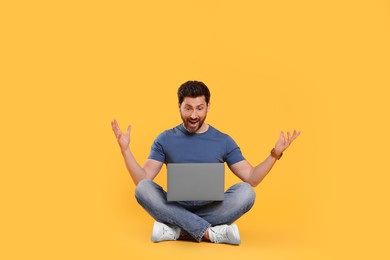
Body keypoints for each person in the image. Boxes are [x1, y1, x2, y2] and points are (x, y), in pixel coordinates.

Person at [111, 80, 300, 245]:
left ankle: (177, 230)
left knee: (246, 192)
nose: (194, 115)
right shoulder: (165, 138)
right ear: (179, 106)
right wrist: (125, 150)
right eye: (188, 108)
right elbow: (142, 178)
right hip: (176, 206)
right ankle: (210, 233)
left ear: (208, 106)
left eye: (199, 108)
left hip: (213, 209)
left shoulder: (223, 140)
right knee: (143, 188)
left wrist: (275, 154)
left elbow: (251, 178)